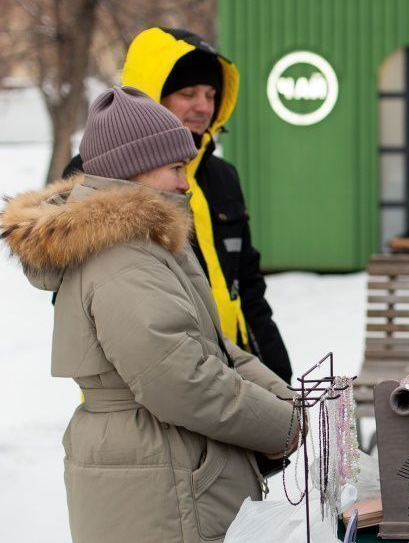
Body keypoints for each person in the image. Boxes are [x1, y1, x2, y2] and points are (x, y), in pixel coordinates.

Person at [2, 87, 299, 543]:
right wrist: (285, 424)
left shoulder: (142, 239)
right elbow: (181, 379)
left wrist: (286, 400)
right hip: (158, 478)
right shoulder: (120, 255)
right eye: (175, 167)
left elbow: (212, 346)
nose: (187, 181)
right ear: (134, 171)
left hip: (160, 467)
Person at [65, 27, 292, 382]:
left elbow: (248, 287)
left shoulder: (222, 176)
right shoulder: (96, 175)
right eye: (188, 93)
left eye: (210, 94)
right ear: (152, 96)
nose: (203, 106)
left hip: (235, 373)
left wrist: (277, 372)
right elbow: (86, 302)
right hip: (150, 388)